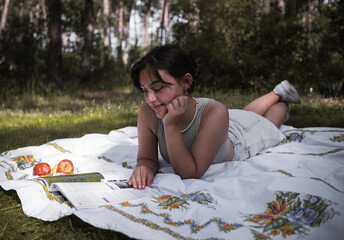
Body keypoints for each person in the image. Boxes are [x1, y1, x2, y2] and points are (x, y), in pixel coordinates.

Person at [128, 45, 301, 190]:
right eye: (144, 90)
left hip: (242, 138)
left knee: (267, 122)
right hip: (221, 127)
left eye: (158, 88)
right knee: (245, 113)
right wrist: (144, 168)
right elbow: (147, 158)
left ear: (186, 82)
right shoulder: (148, 112)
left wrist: (170, 126)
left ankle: (281, 101)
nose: (150, 99)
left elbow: (190, 172)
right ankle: (278, 92)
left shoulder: (215, 112)